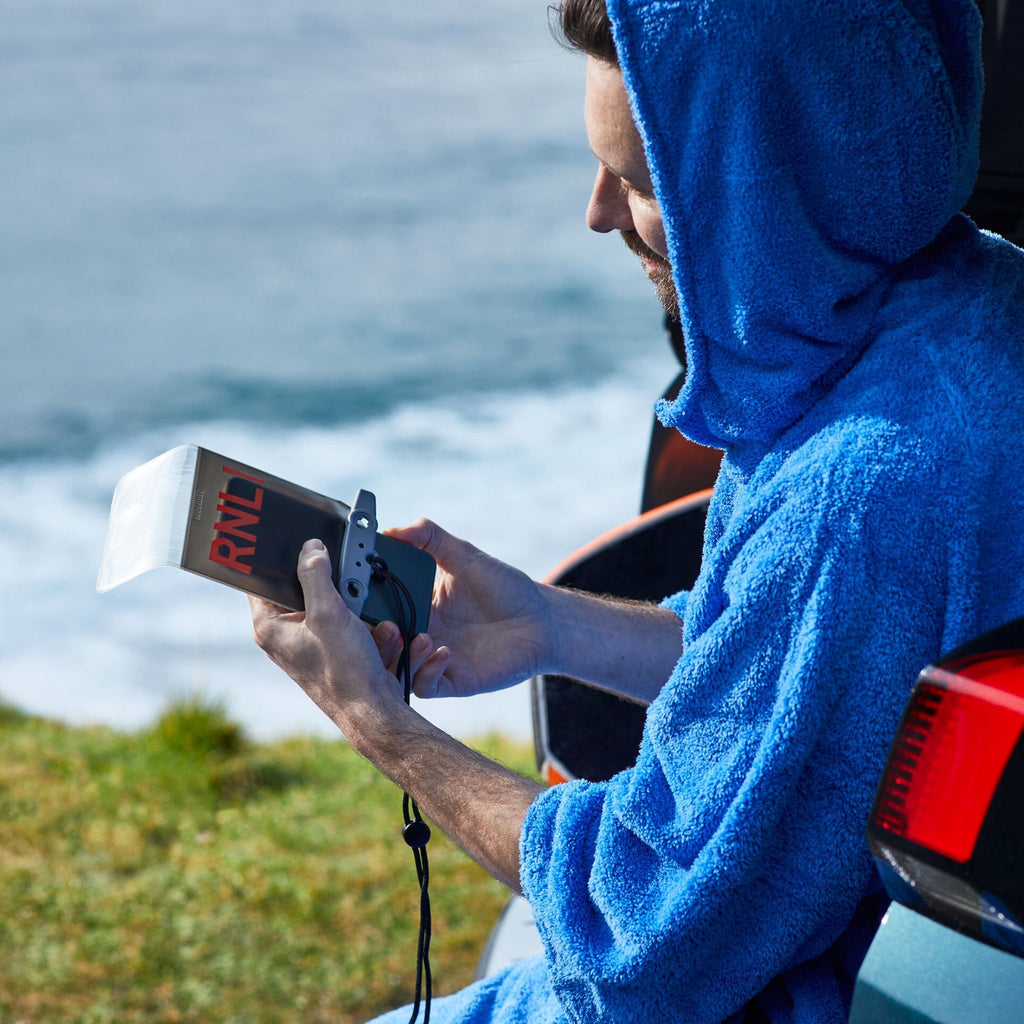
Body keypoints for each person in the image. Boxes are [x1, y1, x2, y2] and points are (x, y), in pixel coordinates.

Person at [249, 0, 1024, 1021]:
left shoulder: (862, 490)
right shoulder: (969, 311)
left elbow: (640, 940)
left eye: (646, 182)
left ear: (776, 181)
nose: (599, 214)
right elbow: (816, 676)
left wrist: (376, 724)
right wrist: (551, 623)